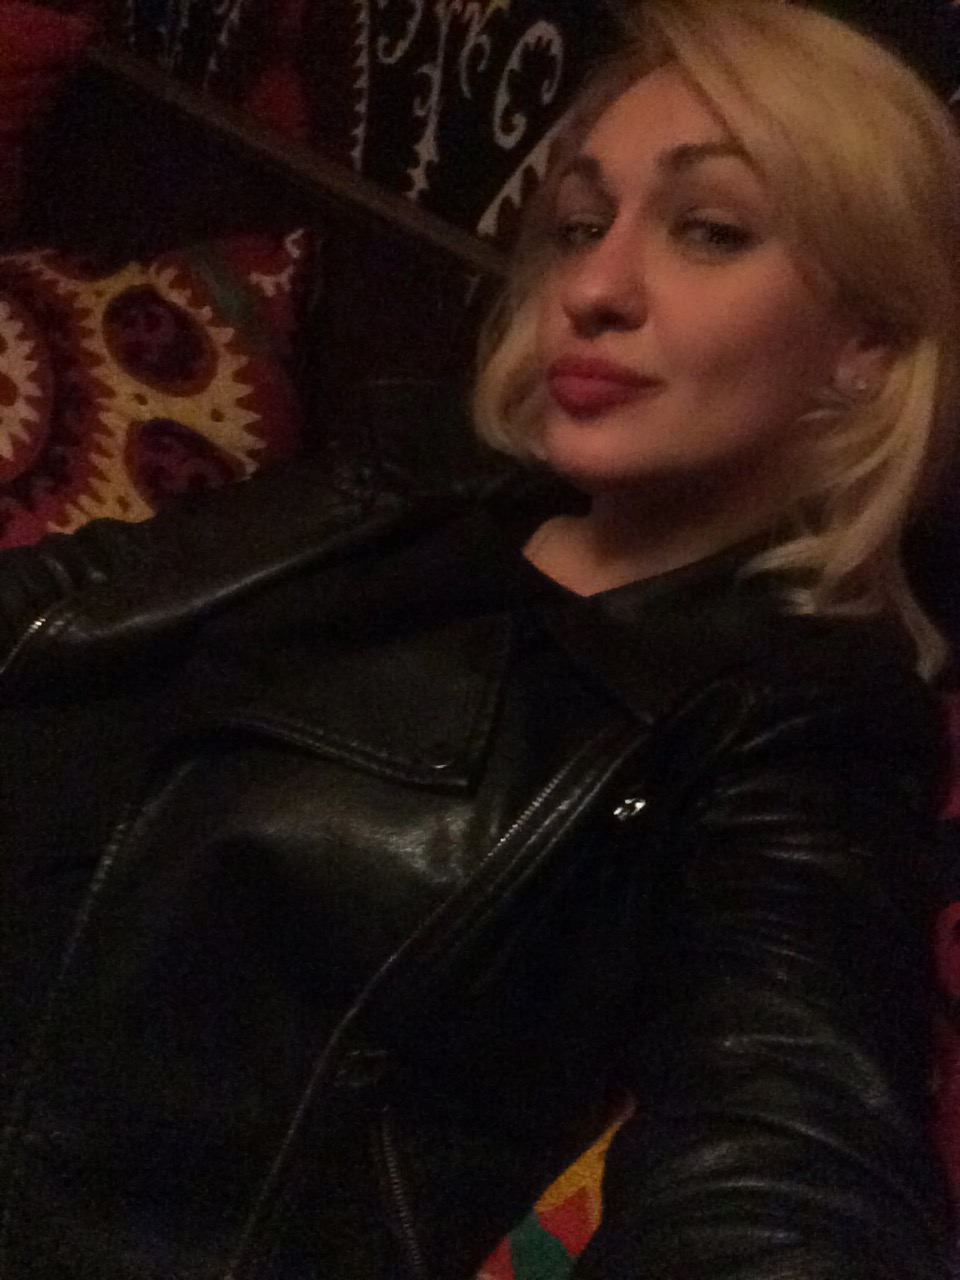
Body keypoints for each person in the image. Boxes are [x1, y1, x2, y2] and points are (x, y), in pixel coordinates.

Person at [1, 0, 959, 1276]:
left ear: (867, 345)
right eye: (580, 224)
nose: (594, 288)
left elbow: (790, 1133)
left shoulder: (803, 718)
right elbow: (83, 590)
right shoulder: (422, 483)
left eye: (710, 229)